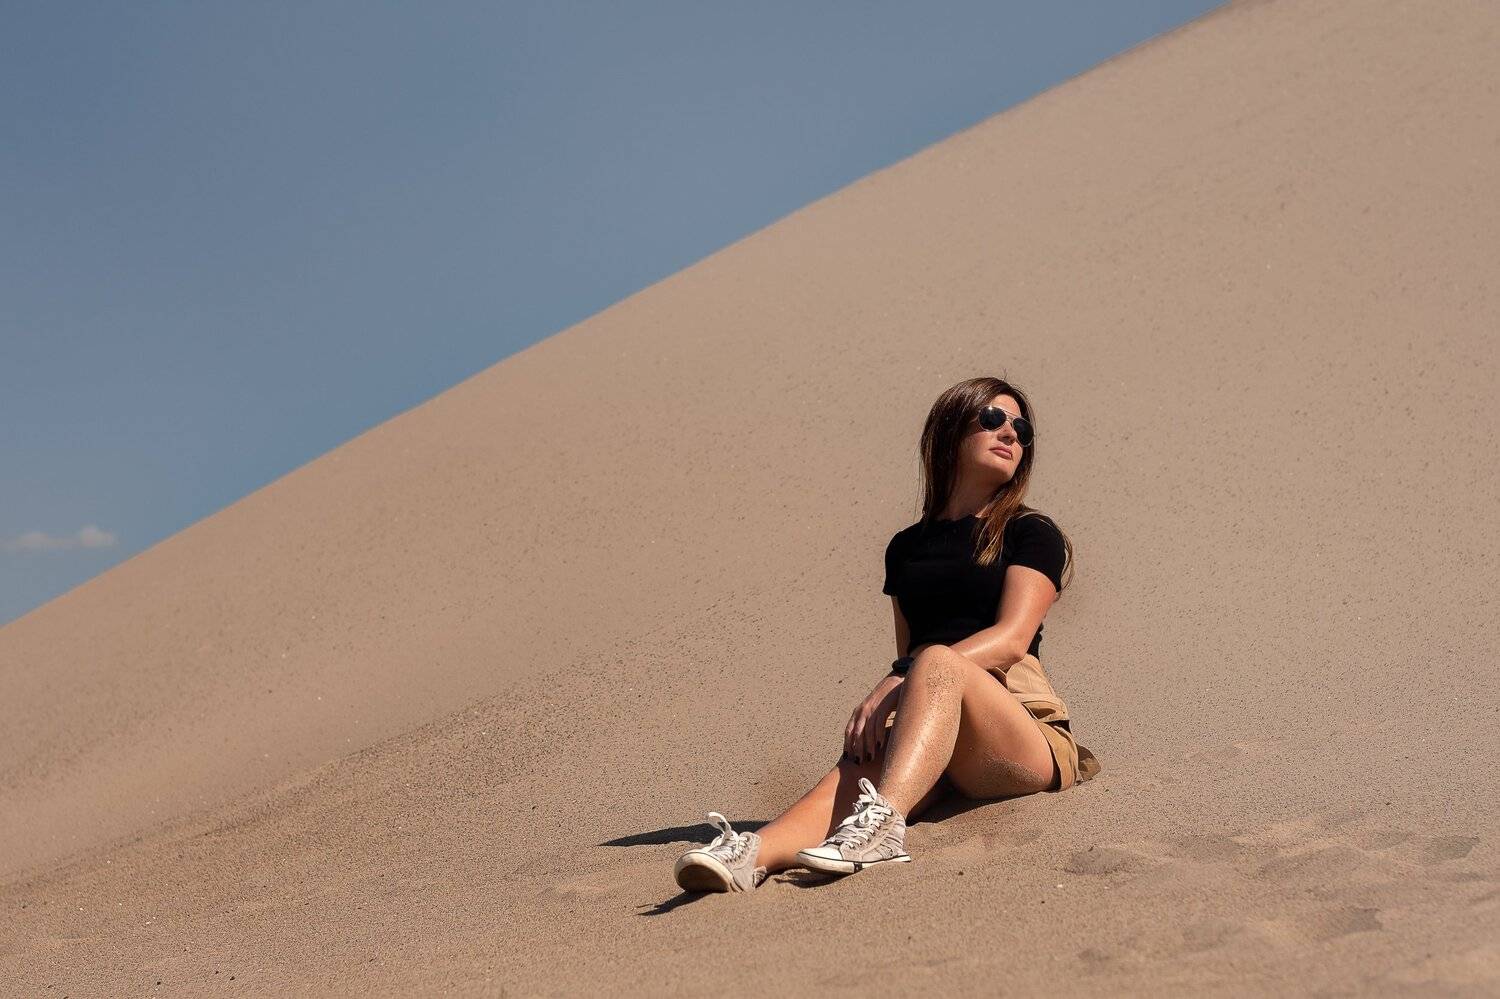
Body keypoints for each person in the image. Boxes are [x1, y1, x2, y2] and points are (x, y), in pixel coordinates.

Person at [672, 376, 1102, 893]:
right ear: (950, 431)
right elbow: (910, 653)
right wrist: (904, 688)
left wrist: (903, 677)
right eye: (992, 419)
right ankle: (753, 854)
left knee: (935, 661)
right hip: (940, 723)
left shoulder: (1032, 532)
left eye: (1022, 428)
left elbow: (1011, 639)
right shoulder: (905, 549)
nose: (1011, 433)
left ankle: (884, 829)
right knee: (855, 770)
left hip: (1021, 733)